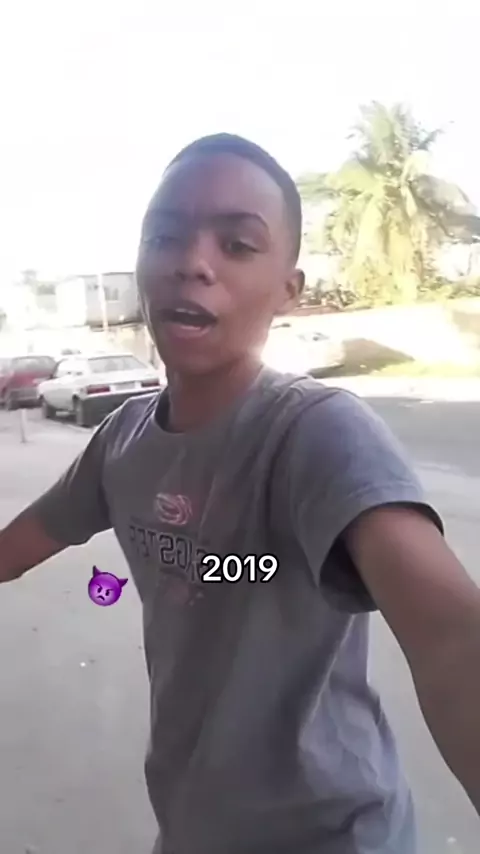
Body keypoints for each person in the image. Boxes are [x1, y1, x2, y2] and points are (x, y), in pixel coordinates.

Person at [1, 134, 479, 854]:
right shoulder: (122, 440)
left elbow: (452, 638)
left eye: (237, 244)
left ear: (289, 287)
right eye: (166, 236)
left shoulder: (315, 432)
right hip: (193, 828)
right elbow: (15, 548)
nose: (192, 262)